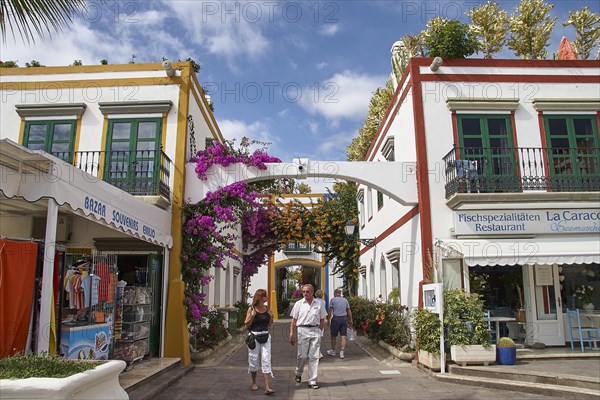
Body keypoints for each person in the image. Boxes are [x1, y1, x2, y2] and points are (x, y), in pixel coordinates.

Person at [289, 284, 327, 390]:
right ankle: (298, 372)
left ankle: (312, 380)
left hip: (315, 330)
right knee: (302, 356)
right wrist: (292, 334)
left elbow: (322, 320)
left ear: (312, 292)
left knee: (314, 357)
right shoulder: (298, 304)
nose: (305, 293)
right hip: (302, 330)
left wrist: (320, 331)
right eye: (303, 292)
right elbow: (294, 321)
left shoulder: (319, 304)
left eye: (307, 291)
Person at [244, 289, 275, 395]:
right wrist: (252, 315)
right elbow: (246, 324)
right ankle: (254, 382)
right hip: (254, 337)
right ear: (260, 297)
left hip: (266, 336)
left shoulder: (267, 309)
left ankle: (267, 387)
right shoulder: (251, 309)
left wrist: (271, 316)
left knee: (266, 359)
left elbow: (270, 324)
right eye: (265, 296)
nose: (267, 298)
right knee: (253, 359)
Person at [327, 288, 353, 359]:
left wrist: (328, 320)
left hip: (336, 319)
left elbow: (330, 311)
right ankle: (342, 352)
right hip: (344, 319)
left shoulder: (333, 300)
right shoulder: (345, 300)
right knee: (343, 336)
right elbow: (349, 311)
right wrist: (350, 320)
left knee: (333, 336)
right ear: (340, 293)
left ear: (335, 293)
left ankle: (333, 350)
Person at [314, 289, 326, 359]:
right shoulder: (323, 302)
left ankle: (318, 353)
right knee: (319, 338)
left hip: (315, 320)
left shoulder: (314, 301)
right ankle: (318, 353)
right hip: (321, 320)